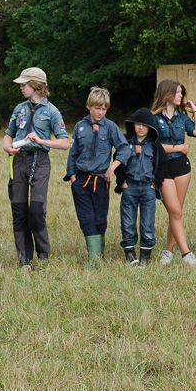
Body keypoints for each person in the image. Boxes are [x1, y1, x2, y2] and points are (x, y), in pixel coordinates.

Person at [2, 68, 69, 269]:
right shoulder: (19, 109)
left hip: (40, 161)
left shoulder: (52, 111)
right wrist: (7, 146)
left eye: (25, 84)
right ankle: (23, 258)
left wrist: (41, 140)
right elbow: (9, 134)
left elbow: (64, 142)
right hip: (20, 160)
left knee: (37, 210)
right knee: (19, 210)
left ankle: (43, 255)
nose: (21, 87)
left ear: (37, 85)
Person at [64, 87, 130, 265]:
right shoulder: (80, 126)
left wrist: (112, 168)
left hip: (101, 180)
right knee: (86, 218)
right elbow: (73, 153)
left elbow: (124, 149)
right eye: (97, 108)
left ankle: (98, 256)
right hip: (81, 180)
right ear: (88, 106)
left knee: (100, 218)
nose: (100, 112)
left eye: (104, 109)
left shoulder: (110, 127)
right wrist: (72, 177)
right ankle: (94, 259)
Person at [151, 80, 196, 266]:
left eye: (182, 92)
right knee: (174, 211)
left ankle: (167, 251)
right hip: (163, 168)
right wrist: (179, 147)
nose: (181, 96)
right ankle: (186, 254)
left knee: (177, 213)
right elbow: (154, 146)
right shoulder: (154, 118)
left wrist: (195, 111)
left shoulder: (182, 118)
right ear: (167, 94)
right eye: (178, 92)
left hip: (182, 168)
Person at [114, 108, 166, 266]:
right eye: (137, 124)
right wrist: (122, 182)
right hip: (129, 187)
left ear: (150, 127)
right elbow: (116, 162)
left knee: (147, 223)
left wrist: (155, 184)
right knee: (128, 221)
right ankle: (130, 254)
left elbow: (163, 165)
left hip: (148, 189)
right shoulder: (125, 142)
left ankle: (146, 255)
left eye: (144, 125)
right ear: (132, 125)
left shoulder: (155, 145)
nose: (140, 128)